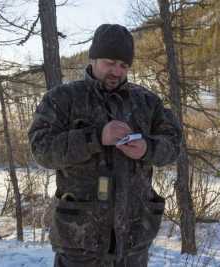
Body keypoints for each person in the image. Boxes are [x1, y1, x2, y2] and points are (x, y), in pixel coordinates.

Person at [28, 24, 182, 267]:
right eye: (110, 62)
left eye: (124, 66)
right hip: (79, 241)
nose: (117, 71)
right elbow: (42, 149)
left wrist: (147, 148)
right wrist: (95, 137)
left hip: (134, 240)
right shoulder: (62, 99)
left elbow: (173, 144)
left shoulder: (147, 102)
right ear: (93, 58)